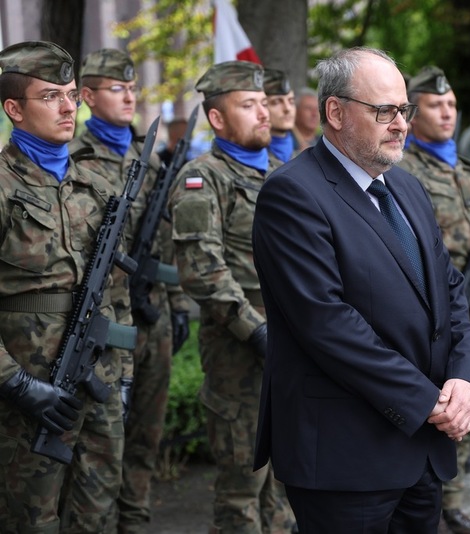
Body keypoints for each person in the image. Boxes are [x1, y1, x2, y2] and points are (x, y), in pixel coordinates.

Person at [251, 46, 470, 534]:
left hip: (422, 451)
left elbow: (451, 293)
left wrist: (466, 380)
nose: (400, 123)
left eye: (404, 110)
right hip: (346, 456)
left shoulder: (408, 188)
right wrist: (428, 402)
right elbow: (328, 324)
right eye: (384, 111)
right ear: (334, 112)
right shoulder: (293, 194)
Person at [0, 40, 131, 532]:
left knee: (97, 517)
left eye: (72, 95)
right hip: (29, 391)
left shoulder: (95, 187)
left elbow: (113, 293)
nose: (68, 107)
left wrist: (124, 374)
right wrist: (16, 383)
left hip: (95, 386)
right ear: (14, 108)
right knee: (30, 521)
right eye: (51, 96)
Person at [69, 47, 191, 533]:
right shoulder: (75, 160)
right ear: (88, 96)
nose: (128, 97)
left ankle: (135, 519)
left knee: (146, 431)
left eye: (132, 89)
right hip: (103, 318)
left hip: (150, 315)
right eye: (116, 89)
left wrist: (177, 303)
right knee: (100, 438)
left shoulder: (152, 163)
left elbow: (166, 242)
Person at [168, 60, 293, 533]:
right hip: (240, 353)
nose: (263, 113)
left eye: (264, 103)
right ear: (217, 119)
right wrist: (256, 330)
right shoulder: (203, 179)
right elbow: (202, 271)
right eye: (248, 106)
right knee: (243, 485)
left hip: (294, 344)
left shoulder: (286, 174)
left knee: (286, 481)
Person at [400, 65, 470, 534]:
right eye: (436, 105)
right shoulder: (403, 173)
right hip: (432, 316)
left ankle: (453, 499)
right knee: (440, 410)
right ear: (413, 113)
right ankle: (434, 504)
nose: (447, 113)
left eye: (452, 105)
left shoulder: (466, 171)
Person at [264, 68, 298, 164]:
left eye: (291, 101)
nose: (287, 108)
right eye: (276, 102)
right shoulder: (254, 158)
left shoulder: (307, 157)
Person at [293, 86, 320, 150]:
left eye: (317, 109)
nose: (314, 114)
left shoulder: (325, 144)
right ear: (296, 112)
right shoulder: (285, 143)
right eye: (308, 108)